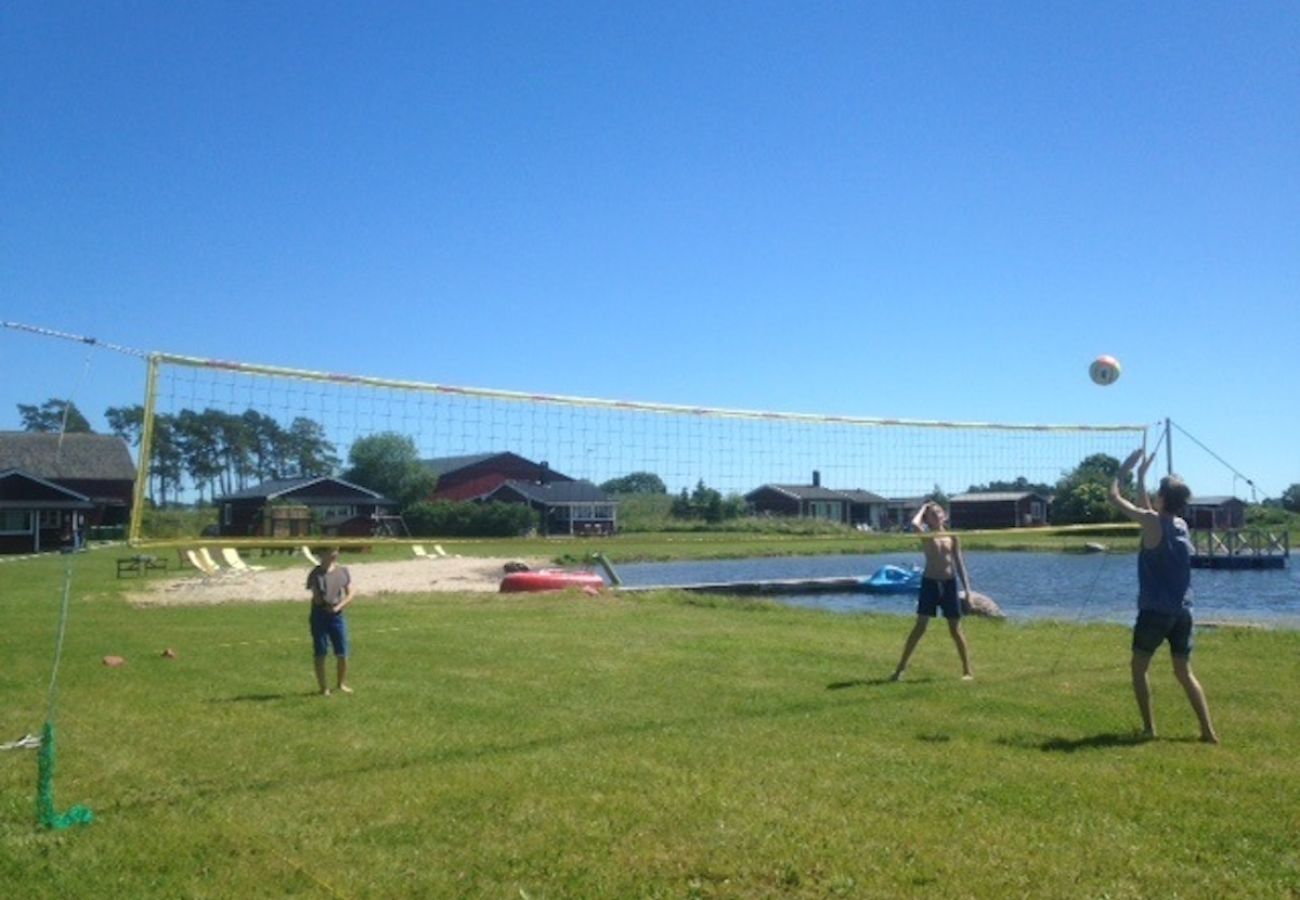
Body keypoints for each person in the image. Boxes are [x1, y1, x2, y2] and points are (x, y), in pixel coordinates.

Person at [1109, 449, 1218, 743]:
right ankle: (1208, 731)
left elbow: (1114, 498)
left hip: (1155, 612)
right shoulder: (1181, 526)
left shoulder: (1151, 522)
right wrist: (1143, 476)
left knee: (1138, 668)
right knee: (1184, 672)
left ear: (1162, 498)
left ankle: (1149, 729)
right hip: (1183, 612)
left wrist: (1123, 471)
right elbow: (1149, 511)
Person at [890, 500, 975, 681]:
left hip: (949, 583)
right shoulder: (927, 535)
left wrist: (967, 590)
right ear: (927, 519)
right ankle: (900, 670)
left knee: (955, 629)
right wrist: (924, 508)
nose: (935, 515)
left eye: (938, 512)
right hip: (930, 583)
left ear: (944, 515)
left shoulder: (952, 536)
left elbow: (959, 563)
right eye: (931, 514)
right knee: (920, 627)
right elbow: (914, 524)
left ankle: (967, 671)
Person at [305, 547, 355, 696]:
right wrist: (326, 605)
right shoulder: (315, 574)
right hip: (319, 615)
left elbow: (351, 592)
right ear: (321, 555)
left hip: (337, 616)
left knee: (342, 652)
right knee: (320, 651)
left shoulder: (343, 571)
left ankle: (341, 684)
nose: (334, 554)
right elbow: (317, 598)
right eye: (330, 551)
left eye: (336, 551)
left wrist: (338, 606)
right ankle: (323, 688)